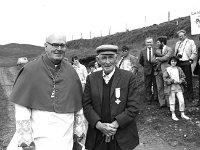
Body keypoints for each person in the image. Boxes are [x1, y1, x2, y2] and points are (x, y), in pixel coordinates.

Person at [7, 33, 83, 150]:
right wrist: (26, 140)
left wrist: (78, 131)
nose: (59, 49)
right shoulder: (30, 70)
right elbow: (22, 108)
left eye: (62, 45)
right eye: (54, 45)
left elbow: (78, 104)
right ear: (46, 46)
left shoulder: (71, 72)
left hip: (64, 135)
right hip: (39, 134)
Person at [82, 44, 140, 150]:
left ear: (116, 58)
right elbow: (86, 105)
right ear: (98, 59)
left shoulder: (128, 77)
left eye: (111, 57)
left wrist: (115, 125)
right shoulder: (91, 78)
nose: (107, 62)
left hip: (122, 136)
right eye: (104, 57)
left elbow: (134, 106)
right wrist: (99, 125)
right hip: (97, 136)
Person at [139, 37, 166, 107]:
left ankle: (156, 98)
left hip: (155, 70)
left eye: (150, 42)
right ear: (145, 43)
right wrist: (146, 66)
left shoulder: (156, 50)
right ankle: (149, 98)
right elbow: (140, 61)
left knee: (156, 84)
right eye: (148, 42)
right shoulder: (142, 51)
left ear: (152, 42)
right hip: (147, 70)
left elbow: (159, 59)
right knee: (147, 85)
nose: (149, 44)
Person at [163, 56, 190, 121]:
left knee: (181, 100)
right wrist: (172, 81)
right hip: (171, 87)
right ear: (170, 62)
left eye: (175, 61)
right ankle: (173, 114)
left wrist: (181, 80)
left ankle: (182, 113)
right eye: (172, 61)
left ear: (176, 62)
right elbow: (165, 78)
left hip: (178, 87)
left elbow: (183, 76)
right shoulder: (167, 69)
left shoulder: (179, 69)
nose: (173, 63)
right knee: (172, 101)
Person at [174, 30, 197, 102]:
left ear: (185, 35)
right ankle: (183, 95)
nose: (180, 37)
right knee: (180, 79)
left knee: (188, 79)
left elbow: (194, 52)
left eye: (181, 36)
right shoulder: (177, 43)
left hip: (187, 61)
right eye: (179, 36)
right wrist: (176, 56)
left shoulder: (190, 42)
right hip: (179, 62)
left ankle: (190, 96)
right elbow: (175, 53)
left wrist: (191, 59)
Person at [155, 36, 174, 106]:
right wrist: (159, 58)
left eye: (158, 42)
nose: (157, 44)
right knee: (159, 87)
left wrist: (158, 58)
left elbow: (166, 58)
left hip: (166, 71)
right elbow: (153, 60)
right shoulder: (157, 50)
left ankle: (169, 103)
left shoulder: (169, 49)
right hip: (157, 71)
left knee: (167, 86)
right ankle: (162, 103)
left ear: (162, 42)